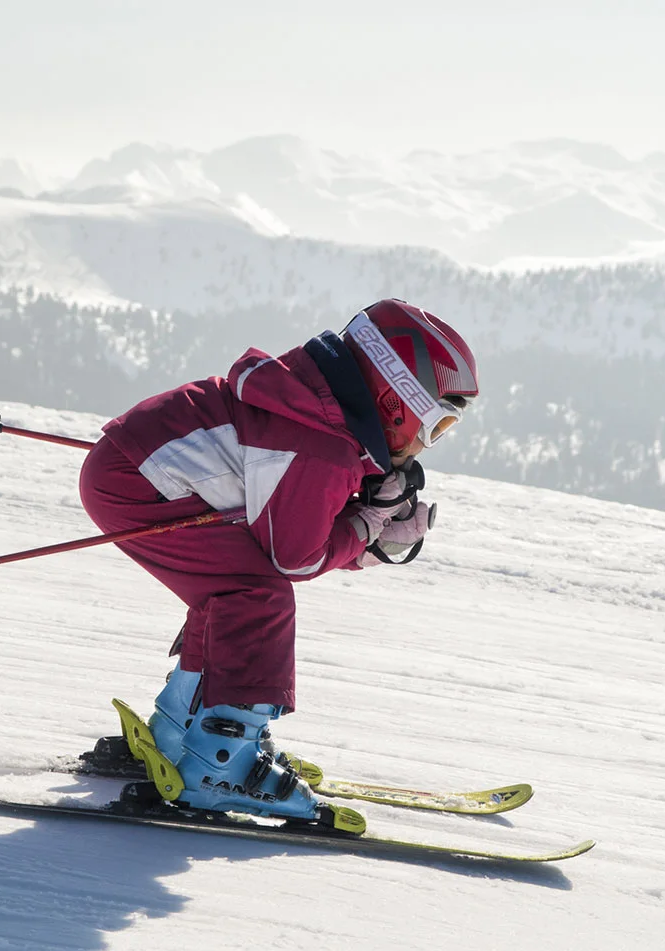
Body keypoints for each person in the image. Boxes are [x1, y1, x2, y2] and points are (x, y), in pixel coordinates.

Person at [78, 299, 478, 830]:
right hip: (139, 484)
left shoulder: (320, 418)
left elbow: (289, 532)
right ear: (393, 400)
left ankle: (179, 732)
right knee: (255, 595)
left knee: (234, 591)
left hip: (136, 471)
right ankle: (220, 766)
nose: (429, 445)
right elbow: (295, 557)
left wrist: (367, 531)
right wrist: (369, 526)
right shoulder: (323, 446)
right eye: (437, 426)